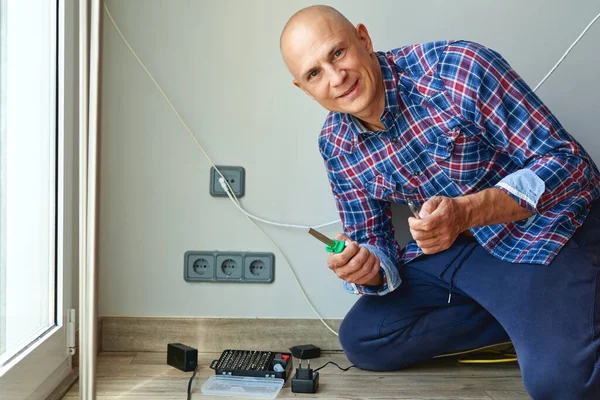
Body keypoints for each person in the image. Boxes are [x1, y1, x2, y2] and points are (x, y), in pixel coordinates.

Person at [280, 5, 600, 399]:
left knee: (561, 386)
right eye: (314, 73)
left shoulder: (457, 68)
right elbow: (372, 239)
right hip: (456, 258)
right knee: (364, 340)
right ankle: (530, 321)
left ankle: (558, 316)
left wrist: (468, 211)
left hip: (543, 235)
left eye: (338, 53)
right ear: (303, 88)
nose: (335, 78)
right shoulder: (336, 144)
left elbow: (570, 165)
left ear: (363, 39)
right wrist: (367, 268)